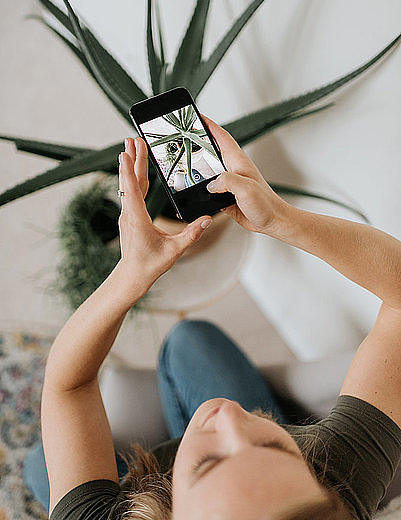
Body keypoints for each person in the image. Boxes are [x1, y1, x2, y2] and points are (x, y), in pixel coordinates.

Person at [23, 115, 401, 520]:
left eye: (209, 464)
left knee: (38, 465)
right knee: (190, 338)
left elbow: (70, 386)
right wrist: (280, 219)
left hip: (139, 492)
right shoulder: (335, 487)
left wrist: (130, 275)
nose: (229, 416)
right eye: (272, 447)